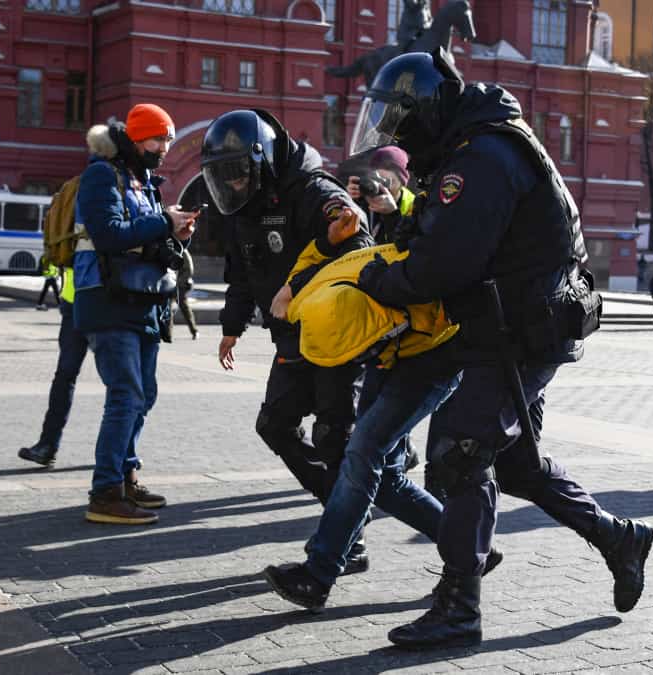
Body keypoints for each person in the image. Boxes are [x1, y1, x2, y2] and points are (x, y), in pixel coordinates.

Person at [344, 51, 653, 649]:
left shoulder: (482, 156)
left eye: (399, 123)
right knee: (516, 465)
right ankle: (620, 538)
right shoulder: (469, 147)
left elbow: (445, 263)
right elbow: (438, 233)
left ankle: (459, 605)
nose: (396, 137)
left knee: (461, 453)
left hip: (521, 332)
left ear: (425, 110)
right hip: (512, 327)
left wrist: (378, 281)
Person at [262, 231, 504, 612]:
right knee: (387, 480)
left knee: (363, 451)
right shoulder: (323, 292)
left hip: (432, 359)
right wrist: (291, 288)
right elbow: (315, 268)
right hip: (390, 355)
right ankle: (471, 551)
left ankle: (318, 574)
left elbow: (441, 295)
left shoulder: (410, 304)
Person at [204, 108, 377, 570]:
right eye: (226, 178)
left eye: (239, 175)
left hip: (336, 335)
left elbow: (358, 248)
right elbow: (243, 272)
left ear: (261, 160)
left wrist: (296, 287)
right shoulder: (244, 207)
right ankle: (341, 507)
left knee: (334, 436)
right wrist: (231, 326)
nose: (234, 185)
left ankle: (348, 537)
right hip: (291, 337)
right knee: (275, 426)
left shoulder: (314, 191)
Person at [73, 103, 197, 524]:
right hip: (107, 299)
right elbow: (109, 235)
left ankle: (126, 476)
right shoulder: (101, 175)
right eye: (158, 139)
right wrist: (164, 221)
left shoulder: (143, 182)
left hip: (143, 300)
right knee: (125, 395)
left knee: (144, 393)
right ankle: (105, 492)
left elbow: (147, 240)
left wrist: (177, 233)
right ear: (136, 137)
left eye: (169, 140)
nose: (165, 148)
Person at [345, 144, 422, 474]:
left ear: (402, 179)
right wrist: (349, 201)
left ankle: (390, 459)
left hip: (402, 316)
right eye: (375, 177)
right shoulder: (364, 204)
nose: (380, 185)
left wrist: (390, 213)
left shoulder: (413, 206)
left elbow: (409, 253)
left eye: (387, 178)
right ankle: (393, 454)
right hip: (368, 310)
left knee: (387, 396)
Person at [19, 267, 87, 467]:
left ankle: (121, 452)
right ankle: (47, 445)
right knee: (64, 376)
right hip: (74, 303)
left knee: (118, 381)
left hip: (107, 304)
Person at [175, 248, 198, 339]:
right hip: (170, 283)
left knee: (184, 307)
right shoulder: (169, 247)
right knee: (167, 308)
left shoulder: (182, 250)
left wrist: (178, 281)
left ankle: (194, 331)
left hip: (180, 285)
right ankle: (167, 334)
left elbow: (189, 269)